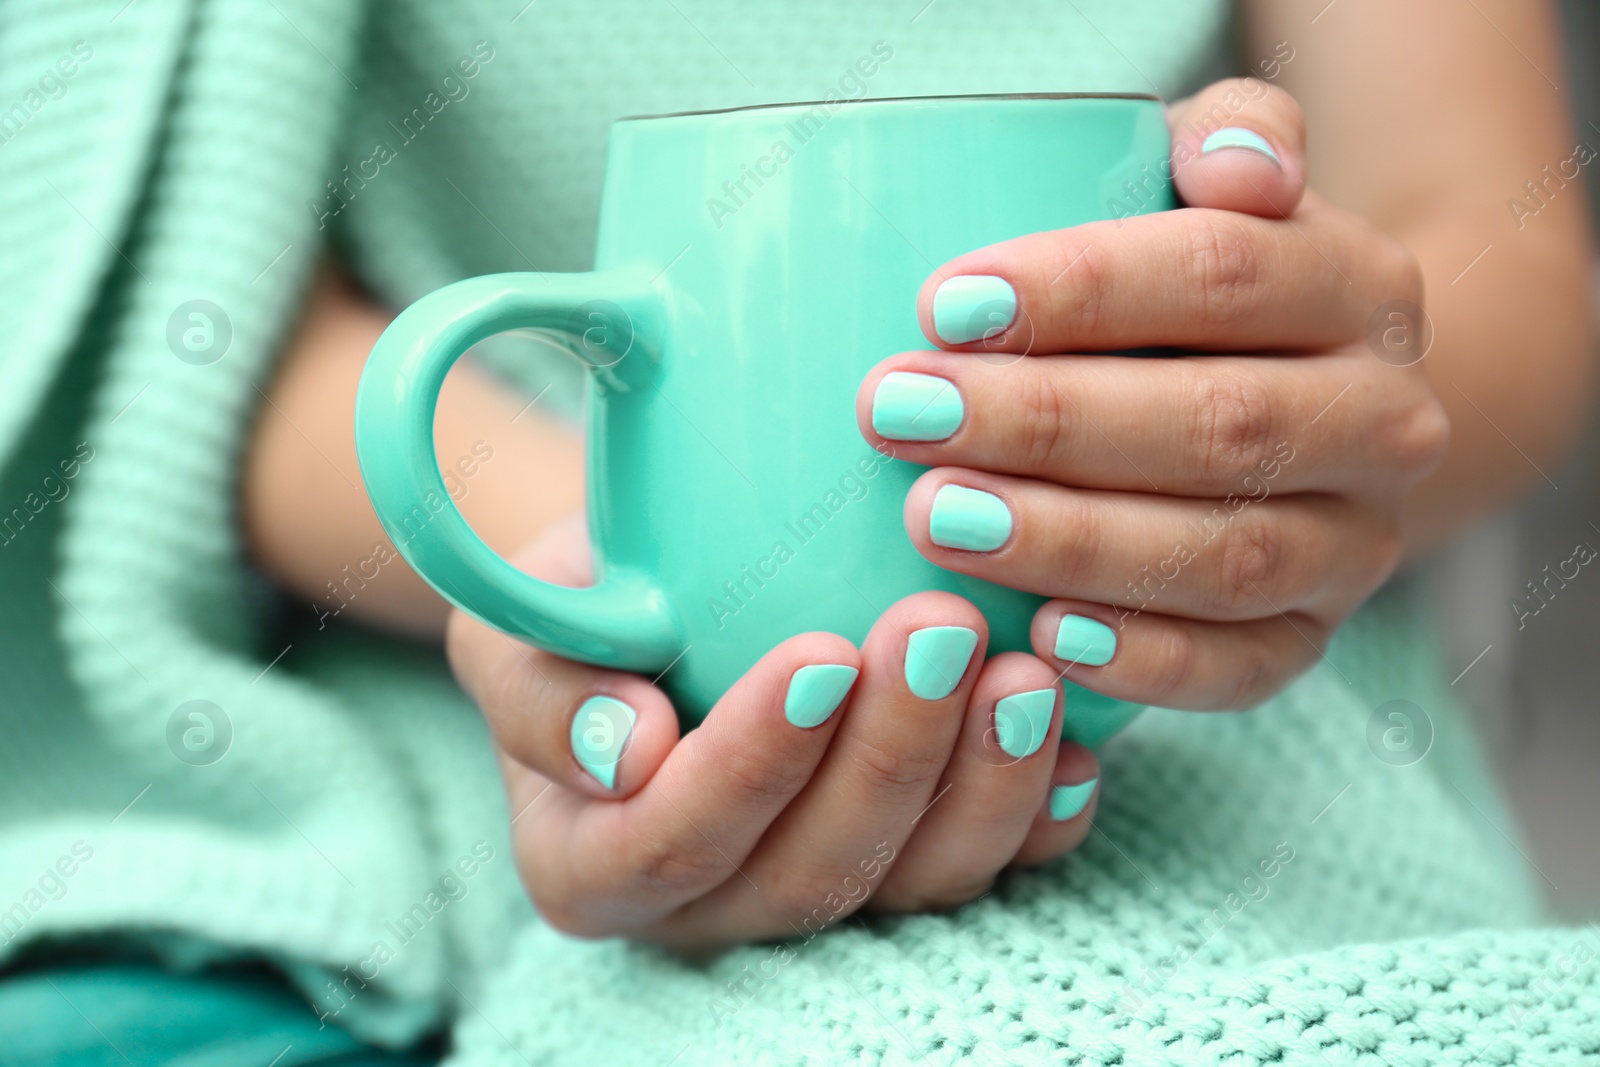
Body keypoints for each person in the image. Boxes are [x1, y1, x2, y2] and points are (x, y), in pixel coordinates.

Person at [0, 0, 1593, 1063]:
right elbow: (182, 294)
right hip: (318, 782)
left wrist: (1288, 423)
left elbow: (1497, 238)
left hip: (1207, 717)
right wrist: (642, 591)